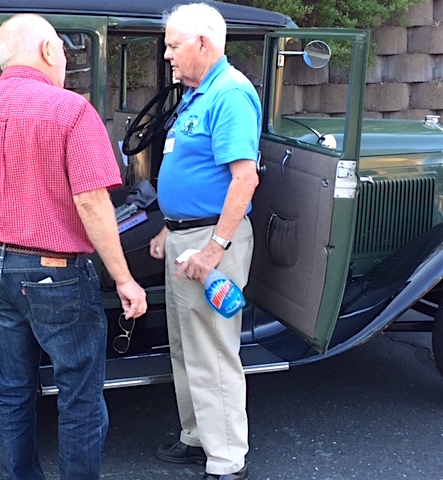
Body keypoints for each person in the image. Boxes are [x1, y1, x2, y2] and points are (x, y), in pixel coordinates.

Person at [0, 14, 147, 480]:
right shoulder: (71, 111)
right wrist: (125, 280)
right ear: (48, 50)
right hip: (57, 272)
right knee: (79, 395)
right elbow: (91, 202)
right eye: (63, 52)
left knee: (12, 390)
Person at [149, 3, 261, 480]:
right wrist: (169, 227)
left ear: (202, 43)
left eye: (173, 45)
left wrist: (215, 249)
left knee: (213, 349)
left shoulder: (229, 94)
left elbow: (244, 179)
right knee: (186, 345)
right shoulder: (199, 93)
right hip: (187, 236)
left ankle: (227, 459)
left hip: (210, 242)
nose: (168, 55)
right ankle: (198, 436)